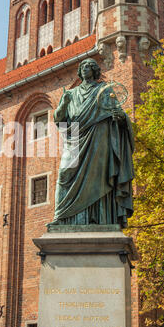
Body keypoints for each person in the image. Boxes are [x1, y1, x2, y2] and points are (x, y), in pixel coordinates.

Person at [49, 58, 134, 229]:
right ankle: (62, 216)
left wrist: (120, 118)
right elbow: (59, 121)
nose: (86, 68)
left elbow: (119, 115)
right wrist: (63, 104)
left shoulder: (104, 91)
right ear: (79, 72)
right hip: (74, 138)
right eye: (83, 66)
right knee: (65, 175)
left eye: (90, 66)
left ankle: (100, 218)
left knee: (99, 177)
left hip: (99, 137)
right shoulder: (71, 94)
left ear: (95, 71)